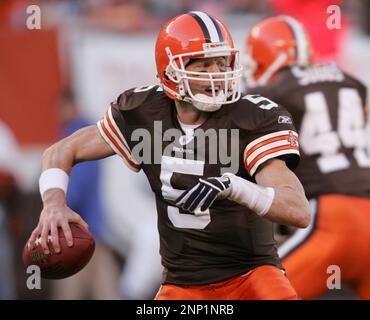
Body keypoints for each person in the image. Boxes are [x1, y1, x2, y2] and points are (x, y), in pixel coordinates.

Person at [27, 11, 310, 300]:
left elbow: (298, 210)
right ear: (172, 71)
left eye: (221, 63)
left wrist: (236, 187)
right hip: (183, 284)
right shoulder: (143, 111)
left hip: (252, 274)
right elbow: (61, 150)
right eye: (204, 65)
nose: (217, 74)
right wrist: (53, 203)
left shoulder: (252, 117)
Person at [243, 15, 370, 299]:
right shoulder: (350, 82)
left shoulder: (271, 94)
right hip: (367, 208)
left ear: (267, 59)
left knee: (256, 294)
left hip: (331, 216)